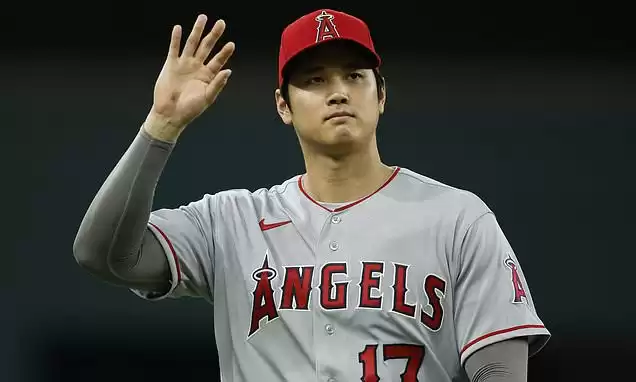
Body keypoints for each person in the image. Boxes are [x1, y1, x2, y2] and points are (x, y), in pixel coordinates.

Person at [73, 9, 550, 382]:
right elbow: (103, 254)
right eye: (315, 79)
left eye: (354, 76)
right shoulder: (230, 222)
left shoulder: (456, 218)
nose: (338, 92)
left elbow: (500, 370)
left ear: (381, 95)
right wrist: (161, 126)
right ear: (284, 105)